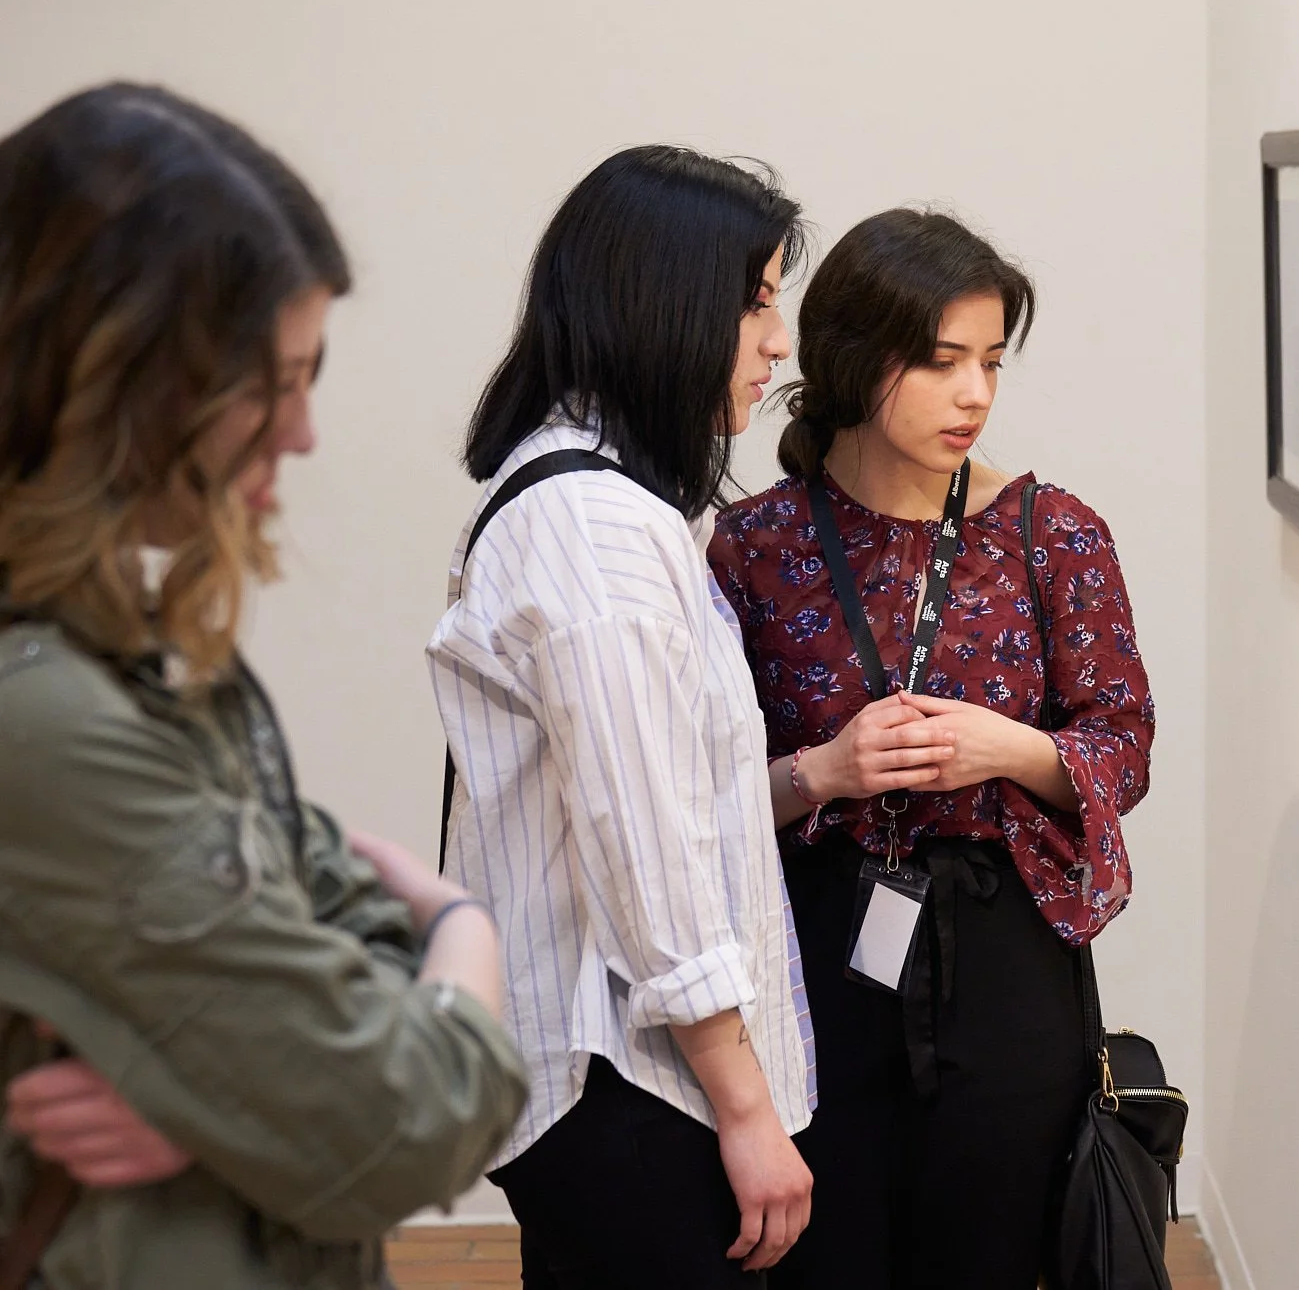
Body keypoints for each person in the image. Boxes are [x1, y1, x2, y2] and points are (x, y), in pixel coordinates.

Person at [0, 84, 526, 1290]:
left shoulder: (146, 656)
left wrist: (221, 1106)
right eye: (269, 383)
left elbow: (337, 996)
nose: (300, 435)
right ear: (115, 383)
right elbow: (416, 1112)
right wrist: (463, 926)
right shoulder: (49, 723)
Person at [708, 207, 1157, 1289]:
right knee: (827, 1254)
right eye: (941, 361)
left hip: (1002, 960)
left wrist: (1008, 749)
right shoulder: (755, 542)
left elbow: (1122, 744)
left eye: (991, 363)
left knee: (991, 1254)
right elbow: (701, 795)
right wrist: (826, 772)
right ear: (858, 359)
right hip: (810, 945)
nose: (974, 395)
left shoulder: (1053, 532)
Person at [429, 147, 816, 1287]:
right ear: (665, 304)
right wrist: (746, 1109)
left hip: (631, 1081)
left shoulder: (607, 500)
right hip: (635, 1088)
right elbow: (647, 850)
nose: (776, 340)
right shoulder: (595, 532)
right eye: (754, 301)